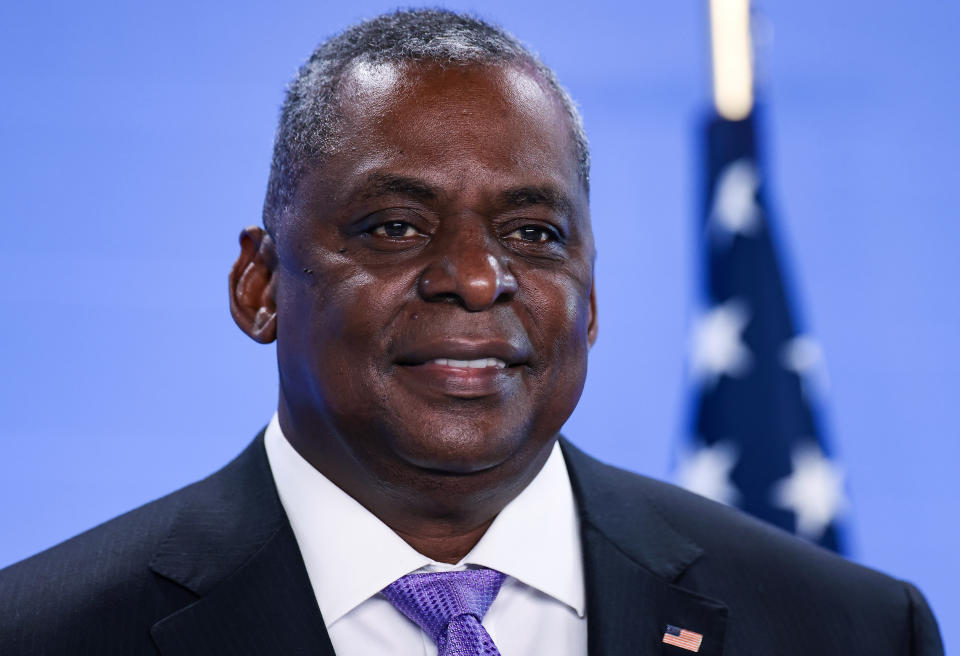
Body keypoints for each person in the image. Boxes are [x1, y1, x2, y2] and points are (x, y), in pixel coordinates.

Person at [0, 9, 944, 656]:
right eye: (393, 227)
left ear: (591, 298)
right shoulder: (42, 634)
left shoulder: (847, 629)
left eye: (532, 234)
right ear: (260, 286)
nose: (474, 278)